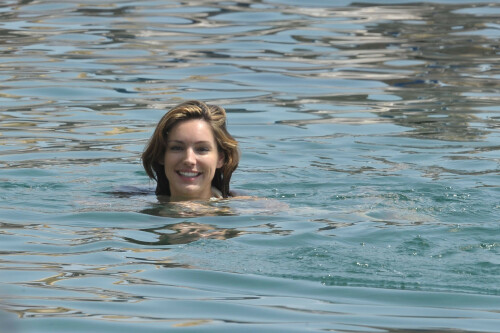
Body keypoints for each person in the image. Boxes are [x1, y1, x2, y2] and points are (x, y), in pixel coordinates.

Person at [142, 100, 239, 201]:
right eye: (177, 148)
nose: (189, 160)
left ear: (220, 159)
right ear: (161, 155)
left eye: (202, 149)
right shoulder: (131, 203)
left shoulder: (246, 209)